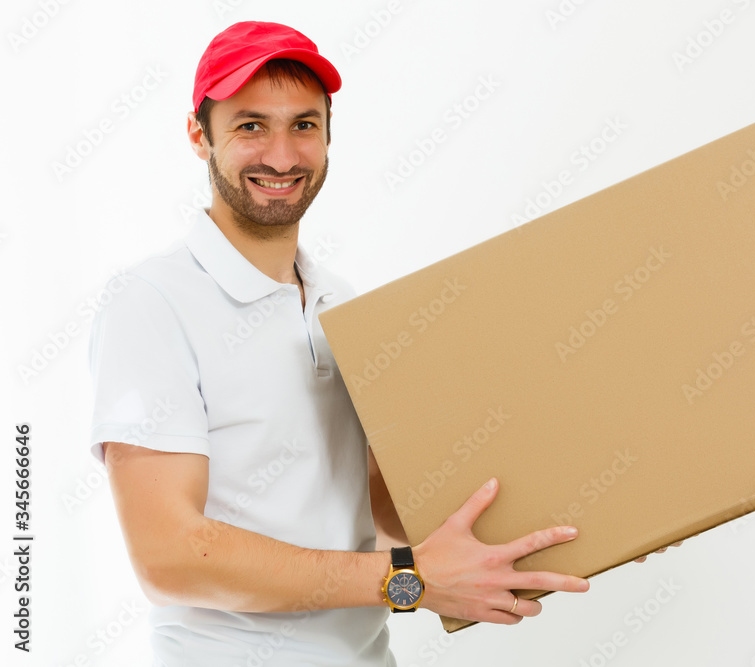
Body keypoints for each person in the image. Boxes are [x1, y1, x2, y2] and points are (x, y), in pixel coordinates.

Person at [86, 21, 593, 666]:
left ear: (328, 135)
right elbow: (171, 558)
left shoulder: (342, 304)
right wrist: (407, 578)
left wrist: (598, 519)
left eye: (304, 125)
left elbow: (395, 505)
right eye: (249, 126)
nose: (281, 154)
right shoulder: (151, 302)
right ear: (197, 134)